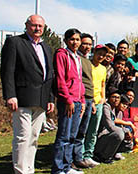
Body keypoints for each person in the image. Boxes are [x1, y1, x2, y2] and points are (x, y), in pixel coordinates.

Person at [0, 14, 55, 174]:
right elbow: (7, 71)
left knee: (34, 137)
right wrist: (10, 95)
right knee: (22, 137)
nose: (37, 29)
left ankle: (29, 169)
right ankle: (21, 170)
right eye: (34, 25)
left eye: (40, 26)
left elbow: (49, 74)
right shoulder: (15, 42)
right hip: (22, 98)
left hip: (41, 99)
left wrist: (50, 98)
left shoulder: (46, 47)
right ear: (26, 25)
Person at [52, 28, 86, 174]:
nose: (75, 42)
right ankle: (58, 168)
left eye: (77, 39)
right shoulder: (62, 54)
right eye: (72, 39)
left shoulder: (78, 57)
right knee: (64, 136)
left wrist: (82, 100)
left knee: (72, 136)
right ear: (66, 40)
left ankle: (67, 166)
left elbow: (79, 81)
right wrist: (67, 99)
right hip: (68, 101)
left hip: (78, 101)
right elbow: (60, 79)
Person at [82, 44, 108, 168]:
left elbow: (103, 85)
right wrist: (90, 101)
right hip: (87, 101)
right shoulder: (87, 65)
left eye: (104, 54)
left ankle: (88, 154)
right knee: (83, 130)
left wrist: (102, 98)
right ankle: (79, 155)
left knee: (93, 130)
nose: (101, 56)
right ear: (94, 52)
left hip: (99, 103)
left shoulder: (103, 68)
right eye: (99, 53)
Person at [72, 33, 96, 169]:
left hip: (88, 99)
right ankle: (70, 160)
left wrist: (91, 101)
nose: (87, 46)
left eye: (89, 44)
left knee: (82, 131)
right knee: (73, 131)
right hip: (78, 99)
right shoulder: (76, 59)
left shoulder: (87, 61)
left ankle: (78, 158)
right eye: (85, 43)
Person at [94, 91, 125, 164]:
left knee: (128, 143)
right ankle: (104, 156)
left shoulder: (114, 109)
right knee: (119, 133)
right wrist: (125, 131)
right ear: (108, 98)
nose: (116, 99)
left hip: (107, 136)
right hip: (100, 138)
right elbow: (110, 126)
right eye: (113, 97)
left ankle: (113, 153)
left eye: (118, 98)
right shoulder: (106, 107)